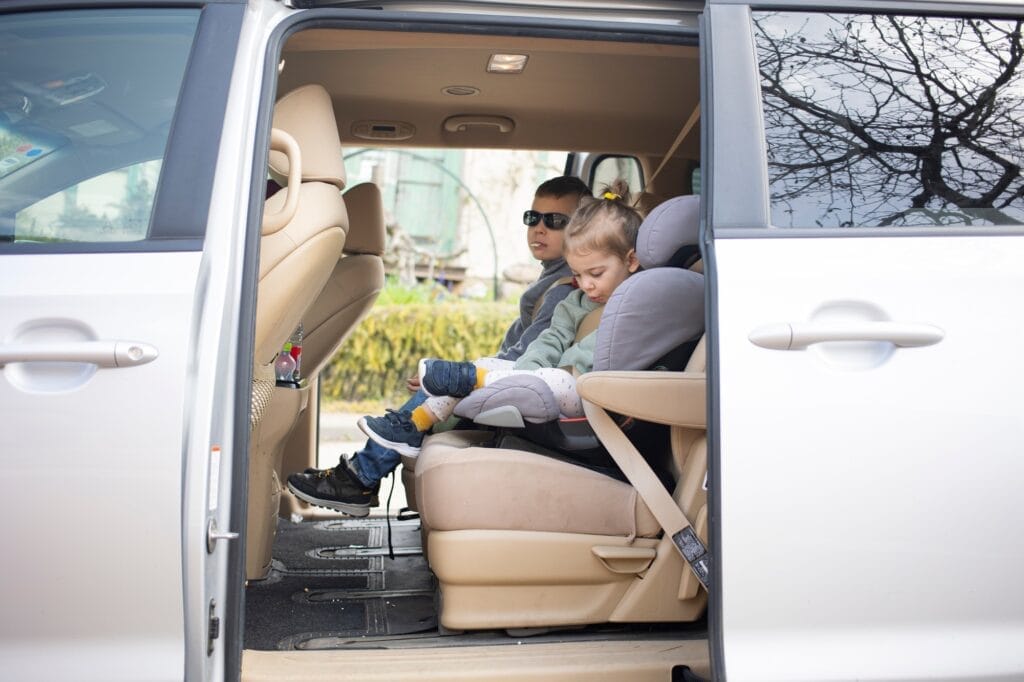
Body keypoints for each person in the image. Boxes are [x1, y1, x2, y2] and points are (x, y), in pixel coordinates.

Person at [287, 175, 591, 516]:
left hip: (519, 391)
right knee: (438, 382)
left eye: (555, 221)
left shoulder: (565, 289)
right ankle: (360, 475)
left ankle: (360, 477)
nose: (539, 229)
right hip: (507, 380)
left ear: (581, 228)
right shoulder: (552, 280)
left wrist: (465, 376)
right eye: (532, 218)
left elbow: (528, 359)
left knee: (439, 387)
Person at [358, 181, 642, 458]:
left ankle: (478, 379)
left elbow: (591, 354)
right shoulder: (575, 300)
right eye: (578, 275)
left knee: (556, 377)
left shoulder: (635, 305)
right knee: (481, 367)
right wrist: (526, 371)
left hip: (583, 390)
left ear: (631, 261)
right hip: (543, 383)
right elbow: (549, 341)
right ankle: (415, 423)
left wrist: (525, 377)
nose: (586, 284)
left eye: (595, 274)